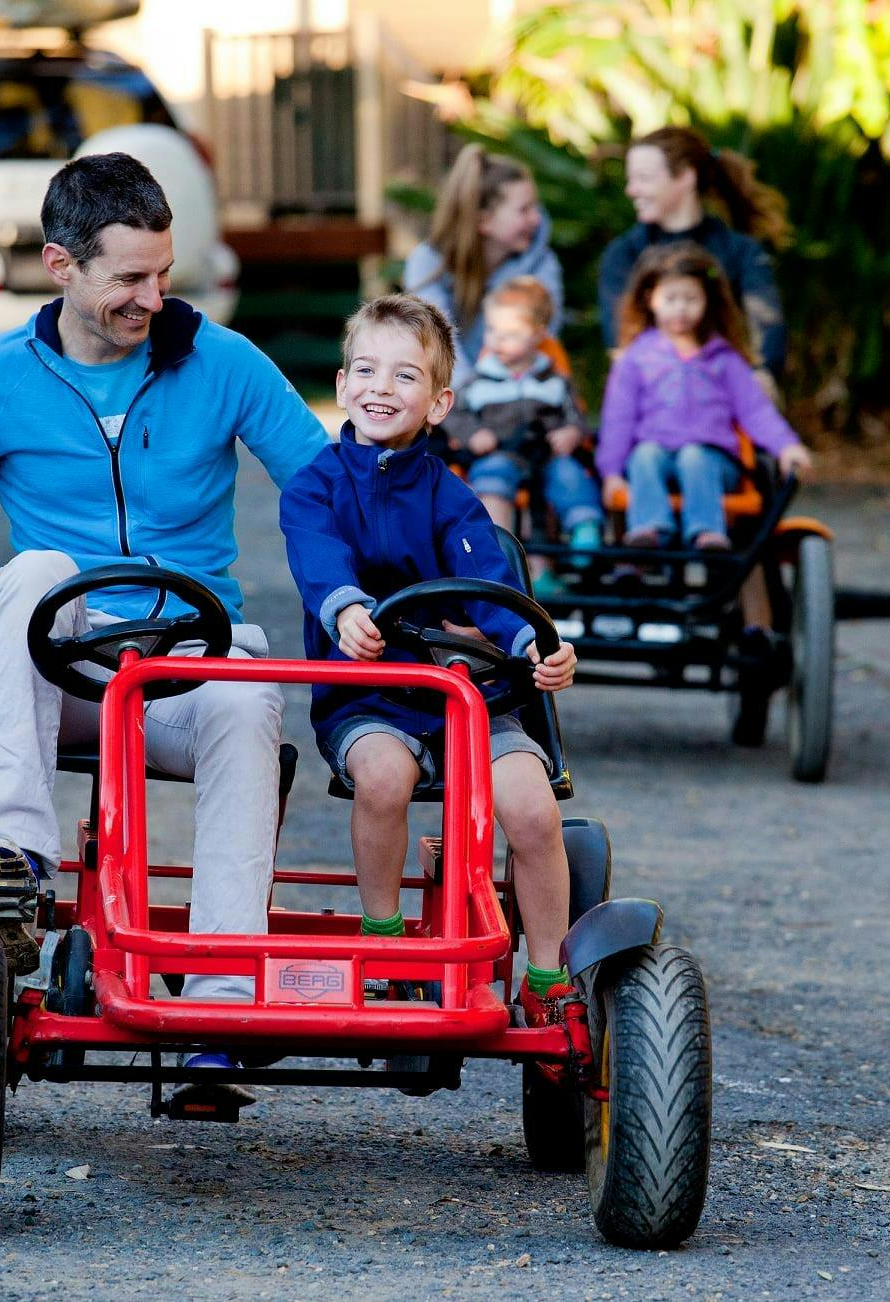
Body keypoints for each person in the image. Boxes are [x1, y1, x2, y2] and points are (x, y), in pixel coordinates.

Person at [0, 153, 328, 1016]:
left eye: (163, 274)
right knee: (38, 572)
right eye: (127, 279)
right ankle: (11, 861)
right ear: (60, 265)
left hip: (190, 667)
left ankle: (222, 995)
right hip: (68, 668)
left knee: (247, 693)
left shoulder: (223, 363)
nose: (152, 299)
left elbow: (327, 493)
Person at [276, 294, 587, 1075]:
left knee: (532, 810)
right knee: (384, 778)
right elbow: (318, 561)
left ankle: (548, 978)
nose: (382, 388)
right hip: (366, 694)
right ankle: (384, 939)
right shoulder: (313, 488)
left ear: (439, 402)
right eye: (367, 371)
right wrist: (344, 607)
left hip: (463, 694)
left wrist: (532, 642)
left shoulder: (451, 496)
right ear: (342, 385)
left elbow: (490, 587)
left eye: (405, 376)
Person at [596, 243, 812, 550]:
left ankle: (707, 531)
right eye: (671, 298)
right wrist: (612, 472)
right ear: (649, 298)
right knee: (645, 454)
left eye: (691, 299)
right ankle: (650, 529)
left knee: (694, 457)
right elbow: (619, 419)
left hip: (714, 461)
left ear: (707, 301)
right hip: (654, 459)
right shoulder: (635, 358)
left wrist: (786, 446)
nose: (681, 309)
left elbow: (755, 410)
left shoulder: (724, 358)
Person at [439, 277, 602, 575]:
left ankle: (579, 532)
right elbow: (451, 413)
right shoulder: (479, 381)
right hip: (499, 453)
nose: (497, 341)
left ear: (539, 334)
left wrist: (571, 432)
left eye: (511, 334)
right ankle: (496, 553)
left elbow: (575, 416)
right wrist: (472, 433)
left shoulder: (553, 380)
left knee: (569, 474)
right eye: (492, 330)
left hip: (545, 456)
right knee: (493, 477)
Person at [598, 125, 790, 378]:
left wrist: (757, 379)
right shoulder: (624, 254)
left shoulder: (741, 251)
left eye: (644, 178)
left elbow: (768, 332)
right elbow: (620, 342)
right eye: (631, 180)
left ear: (687, 177)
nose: (631, 190)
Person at [403, 145, 563, 387]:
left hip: (522, 391)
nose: (536, 218)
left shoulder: (541, 263)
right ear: (484, 221)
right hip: (451, 396)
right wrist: (473, 399)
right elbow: (437, 344)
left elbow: (541, 337)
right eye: (524, 209)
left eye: (534, 207)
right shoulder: (429, 263)